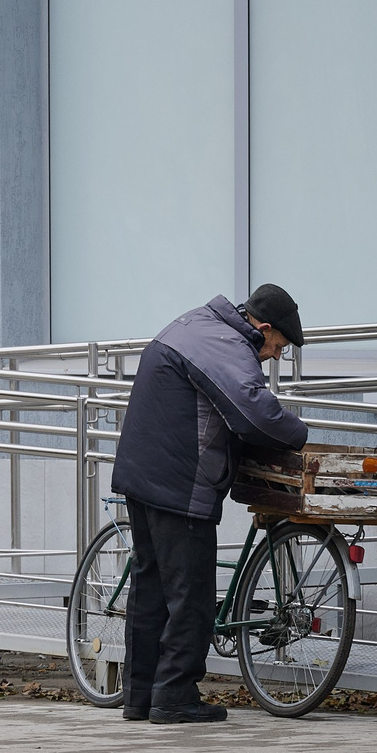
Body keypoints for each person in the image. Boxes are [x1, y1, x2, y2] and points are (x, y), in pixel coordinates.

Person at [103, 286, 310, 724]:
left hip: (142, 475)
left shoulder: (195, 322)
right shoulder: (227, 345)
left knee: (150, 587)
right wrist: (300, 435)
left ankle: (140, 696)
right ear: (263, 328)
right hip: (179, 484)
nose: (276, 356)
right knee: (190, 595)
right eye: (279, 346)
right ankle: (175, 696)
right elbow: (255, 413)